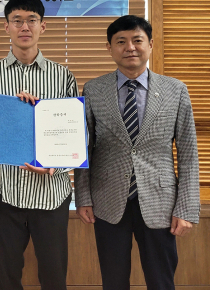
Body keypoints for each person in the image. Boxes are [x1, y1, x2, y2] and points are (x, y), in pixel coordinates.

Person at [74, 15, 199, 290]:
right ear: (109, 48)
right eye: (121, 41)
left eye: (137, 40)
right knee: (113, 281)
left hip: (160, 202)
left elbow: (189, 153)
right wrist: (82, 197)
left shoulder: (176, 90)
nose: (130, 47)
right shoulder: (94, 89)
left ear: (150, 44)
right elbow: (84, 148)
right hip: (107, 201)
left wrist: (186, 207)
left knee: (161, 280)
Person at [0, 0, 78, 290]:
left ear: (43, 26)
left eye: (31, 20)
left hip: (51, 193)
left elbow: (75, 133)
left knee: (54, 278)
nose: (24, 26)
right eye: (17, 20)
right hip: (4, 193)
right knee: (8, 278)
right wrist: (8, 114)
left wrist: (55, 167)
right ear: (6, 27)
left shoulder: (62, 76)